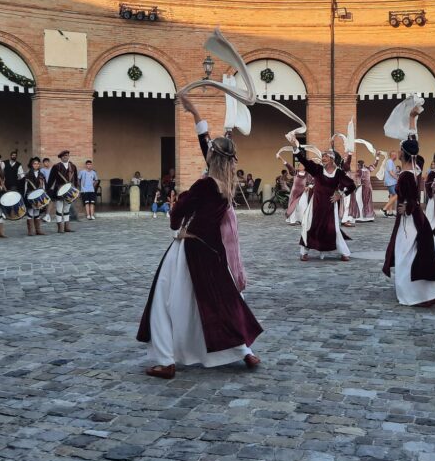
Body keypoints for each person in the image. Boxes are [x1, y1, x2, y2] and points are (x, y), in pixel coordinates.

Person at [137, 95, 262, 379]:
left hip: (190, 247)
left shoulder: (205, 184)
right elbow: (208, 145)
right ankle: (245, 351)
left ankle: (166, 359)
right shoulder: (228, 182)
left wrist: (176, 223)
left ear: (212, 158)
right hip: (214, 252)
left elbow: (180, 210)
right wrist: (194, 112)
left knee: (165, 302)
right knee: (224, 300)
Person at [383, 111, 435, 307]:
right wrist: (413, 118)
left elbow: (410, 198)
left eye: (399, 150)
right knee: (423, 250)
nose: (396, 152)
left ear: (403, 153)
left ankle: (416, 293)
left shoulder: (406, 174)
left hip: (410, 218)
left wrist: (405, 206)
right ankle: (431, 290)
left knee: (407, 252)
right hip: (417, 217)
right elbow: (414, 142)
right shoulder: (417, 167)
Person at [289, 135, 357, 262]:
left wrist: (340, 195)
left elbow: (352, 186)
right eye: (323, 157)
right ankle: (304, 252)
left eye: (325, 157)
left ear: (332, 159)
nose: (323, 158)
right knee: (309, 226)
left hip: (330, 205)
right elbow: (303, 160)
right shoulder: (318, 170)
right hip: (315, 204)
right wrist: (295, 147)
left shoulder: (338, 173)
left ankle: (344, 252)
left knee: (333, 229)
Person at [46, 150, 78, 233]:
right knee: (59, 209)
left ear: (68, 156)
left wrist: (76, 188)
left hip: (70, 190)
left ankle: (67, 227)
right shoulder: (56, 167)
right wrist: (48, 189)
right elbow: (51, 179)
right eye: (63, 156)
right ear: (61, 157)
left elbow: (76, 179)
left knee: (67, 209)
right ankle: (60, 227)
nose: (65, 157)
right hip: (59, 190)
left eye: (67, 155)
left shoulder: (73, 166)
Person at [22, 157, 48, 236]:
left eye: (38, 164)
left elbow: (44, 186)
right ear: (32, 165)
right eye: (34, 164)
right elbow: (25, 187)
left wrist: (44, 194)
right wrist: (25, 196)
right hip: (30, 196)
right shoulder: (28, 175)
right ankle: (30, 231)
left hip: (39, 196)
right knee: (30, 213)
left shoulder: (41, 175)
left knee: (37, 212)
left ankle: (38, 230)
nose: (36, 165)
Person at [283, 159, 309, 226]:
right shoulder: (295, 172)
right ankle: (292, 220)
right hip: (294, 192)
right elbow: (290, 168)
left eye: (302, 165)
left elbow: (312, 181)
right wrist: (285, 162)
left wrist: (308, 186)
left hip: (303, 192)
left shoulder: (307, 174)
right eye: (299, 165)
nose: (300, 166)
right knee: (293, 206)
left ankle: (302, 220)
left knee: (303, 206)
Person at [356, 158, 376, 223]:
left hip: (363, 187)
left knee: (361, 201)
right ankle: (369, 217)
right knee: (368, 202)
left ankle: (362, 217)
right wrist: (377, 157)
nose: (357, 166)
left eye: (358, 165)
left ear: (359, 165)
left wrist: (356, 187)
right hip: (369, 187)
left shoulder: (359, 171)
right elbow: (375, 165)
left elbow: (358, 181)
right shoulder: (368, 169)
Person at [382, 151, 399, 217]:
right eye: (396, 155)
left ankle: (390, 212)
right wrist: (397, 178)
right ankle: (384, 209)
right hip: (391, 182)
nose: (396, 156)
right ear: (393, 155)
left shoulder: (391, 162)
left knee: (392, 196)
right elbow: (391, 172)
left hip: (391, 182)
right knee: (396, 195)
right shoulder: (389, 162)